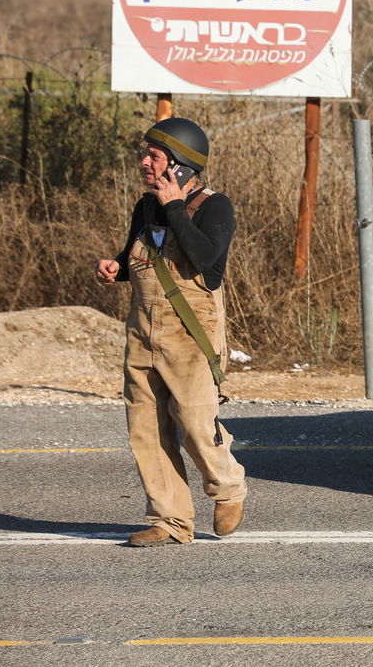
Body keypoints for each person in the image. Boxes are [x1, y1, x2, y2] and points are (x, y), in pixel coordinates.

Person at [95, 117, 246, 545]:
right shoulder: (145, 207)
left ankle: (229, 486)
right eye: (145, 154)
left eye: (154, 156)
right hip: (141, 331)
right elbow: (138, 256)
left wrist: (176, 206)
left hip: (189, 332)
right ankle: (171, 520)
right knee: (146, 427)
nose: (144, 162)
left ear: (179, 165)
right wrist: (116, 267)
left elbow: (204, 261)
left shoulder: (215, 207)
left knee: (195, 422)